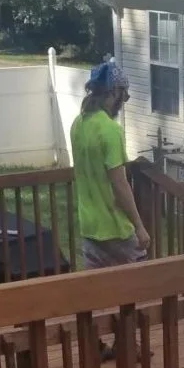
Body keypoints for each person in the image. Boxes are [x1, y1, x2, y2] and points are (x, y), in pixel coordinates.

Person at [70, 59, 151, 272]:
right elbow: (119, 184)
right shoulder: (110, 130)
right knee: (143, 281)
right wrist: (139, 227)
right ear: (114, 92)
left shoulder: (78, 124)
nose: (123, 103)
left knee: (98, 288)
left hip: (89, 227)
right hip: (115, 228)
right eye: (124, 95)